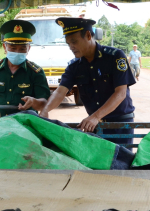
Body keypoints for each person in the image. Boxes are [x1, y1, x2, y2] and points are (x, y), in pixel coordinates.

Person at [30, 17, 136, 146]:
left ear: (88, 35)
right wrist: (45, 111)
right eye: (68, 43)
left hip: (119, 124)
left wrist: (96, 116)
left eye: (74, 42)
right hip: (94, 125)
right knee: (98, 164)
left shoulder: (114, 57)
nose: (71, 47)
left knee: (121, 163)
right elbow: (60, 92)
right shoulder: (74, 66)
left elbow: (120, 93)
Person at [0, 20, 50, 125]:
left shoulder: (36, 72)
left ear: (29, 48)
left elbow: (44, 104)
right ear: (5, 47)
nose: (17, 52)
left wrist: (34, 102)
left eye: (22, 49)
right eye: (13, 48)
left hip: (25, 128)